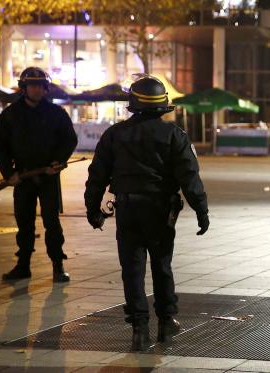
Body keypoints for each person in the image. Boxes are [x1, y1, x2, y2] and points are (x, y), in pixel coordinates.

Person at [84, 75, 209, 352]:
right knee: (162, 266)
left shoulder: (114, 135)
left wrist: (92, 208)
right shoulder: (175, 136)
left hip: (128, 210)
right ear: (162, 104)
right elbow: (190, 177)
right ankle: (166, 322)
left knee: (132, 270)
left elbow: (97, 176)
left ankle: (139, 329)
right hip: (161, 210)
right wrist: (201, 209)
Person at [0, 67, 78, 283]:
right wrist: (9, 173)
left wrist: (58, 162)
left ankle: (58, 265)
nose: (36, 89)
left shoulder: (56, 113)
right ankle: (23, 266)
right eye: (32, 85)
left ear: (45, 88)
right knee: (24, 222)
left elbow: (69, 140)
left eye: (40, 85)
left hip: (49, 177)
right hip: (22, 177)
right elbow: (1, 149)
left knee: (52, 222)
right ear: (24, 88)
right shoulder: (10, 114)